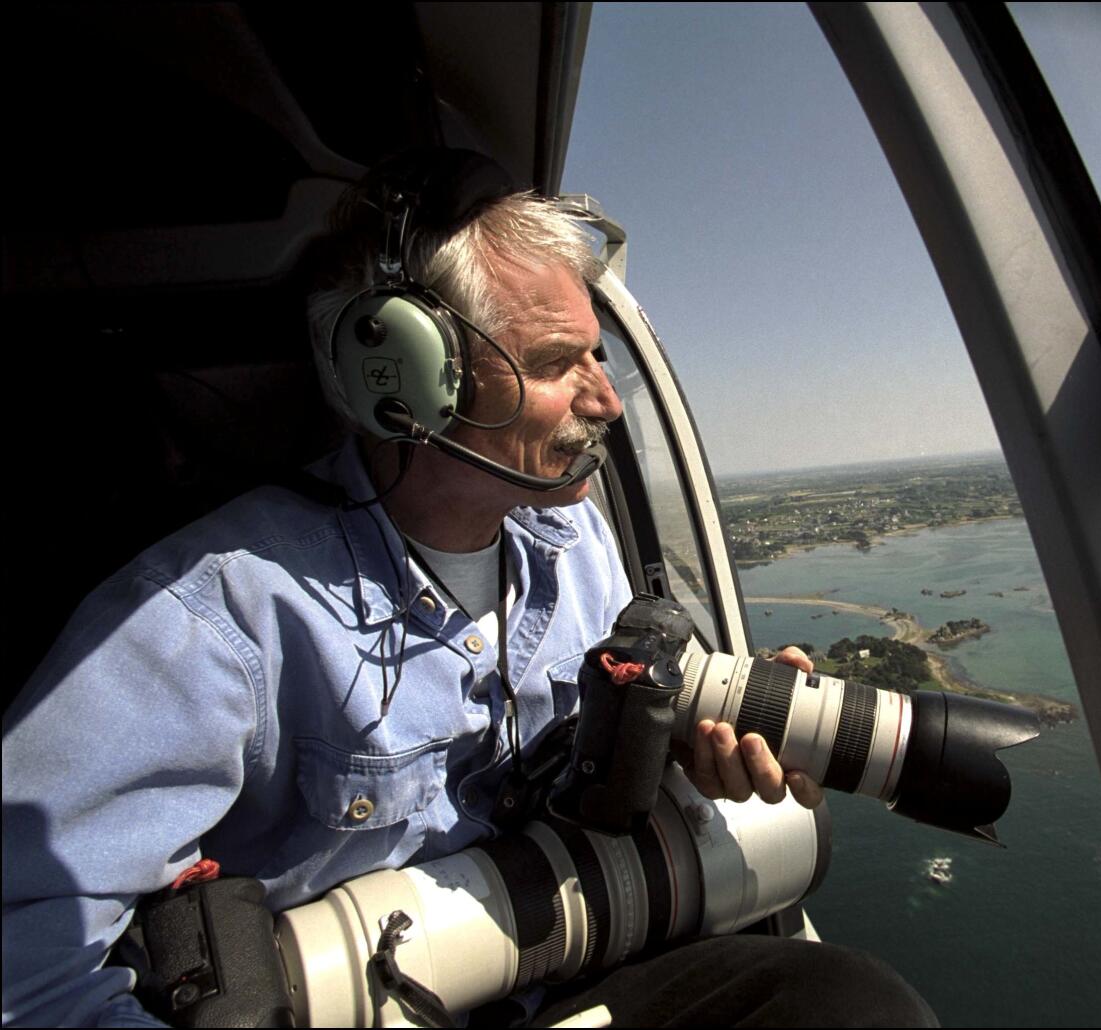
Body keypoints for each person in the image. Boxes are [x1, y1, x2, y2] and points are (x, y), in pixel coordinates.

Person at [1, 150, 934, 1028]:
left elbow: (591, 756)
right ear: (406, 382)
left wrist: (682, 746)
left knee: (853, 1004)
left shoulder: (573, 543)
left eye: (599, 356)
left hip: (569, 957)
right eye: (554, 363)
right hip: (380, 1000)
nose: (604, 399)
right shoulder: (213, 620)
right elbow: (25, 955)